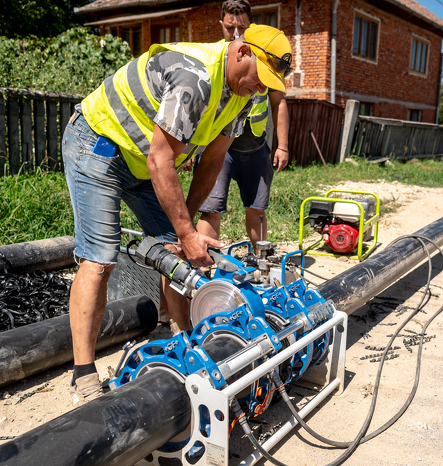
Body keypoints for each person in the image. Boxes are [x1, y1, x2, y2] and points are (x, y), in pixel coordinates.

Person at [62, 24, 293, 405]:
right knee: (100, 259)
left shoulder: (243, 95)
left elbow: (213, 160)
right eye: (260, 78)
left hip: (144, 162)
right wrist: (186, 233)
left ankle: (183, 338)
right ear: (241, 53)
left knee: (177, 251)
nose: (261, 89)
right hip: (98, 147)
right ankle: (83, 373)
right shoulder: (196, 76)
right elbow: (161, 158)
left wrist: (184, 230)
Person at [196, 0, 290, 247]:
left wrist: (283, 146)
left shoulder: (264, 58)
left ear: (251, 25)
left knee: (257, 208)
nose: (236, 33)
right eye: (229, 28)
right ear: (221, 25)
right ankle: (204, 271)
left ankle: (261, 263)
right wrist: (191, 150)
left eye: (242, 27)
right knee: (211, 209)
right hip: (218, 147)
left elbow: (279, 102)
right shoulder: (214, 56)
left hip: (255, 147)